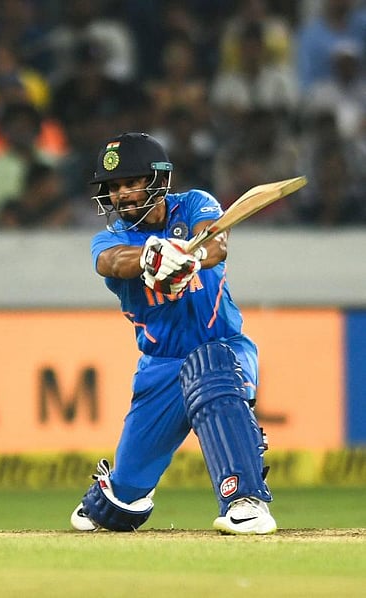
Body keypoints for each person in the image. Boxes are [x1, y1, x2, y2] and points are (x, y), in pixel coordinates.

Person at [70, 132, 275, 535]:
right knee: (116, 508)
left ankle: (245, 499)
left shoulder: (195, 203)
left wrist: (190, 257)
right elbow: (111, 262)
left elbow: (216, 242)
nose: (123, 195)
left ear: (159, 180)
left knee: (209, 367)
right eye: (114, 187)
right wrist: (150, 256)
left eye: (132, 182)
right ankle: (116, 495)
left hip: (223, 349)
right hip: (160, 368)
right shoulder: (110, 239)